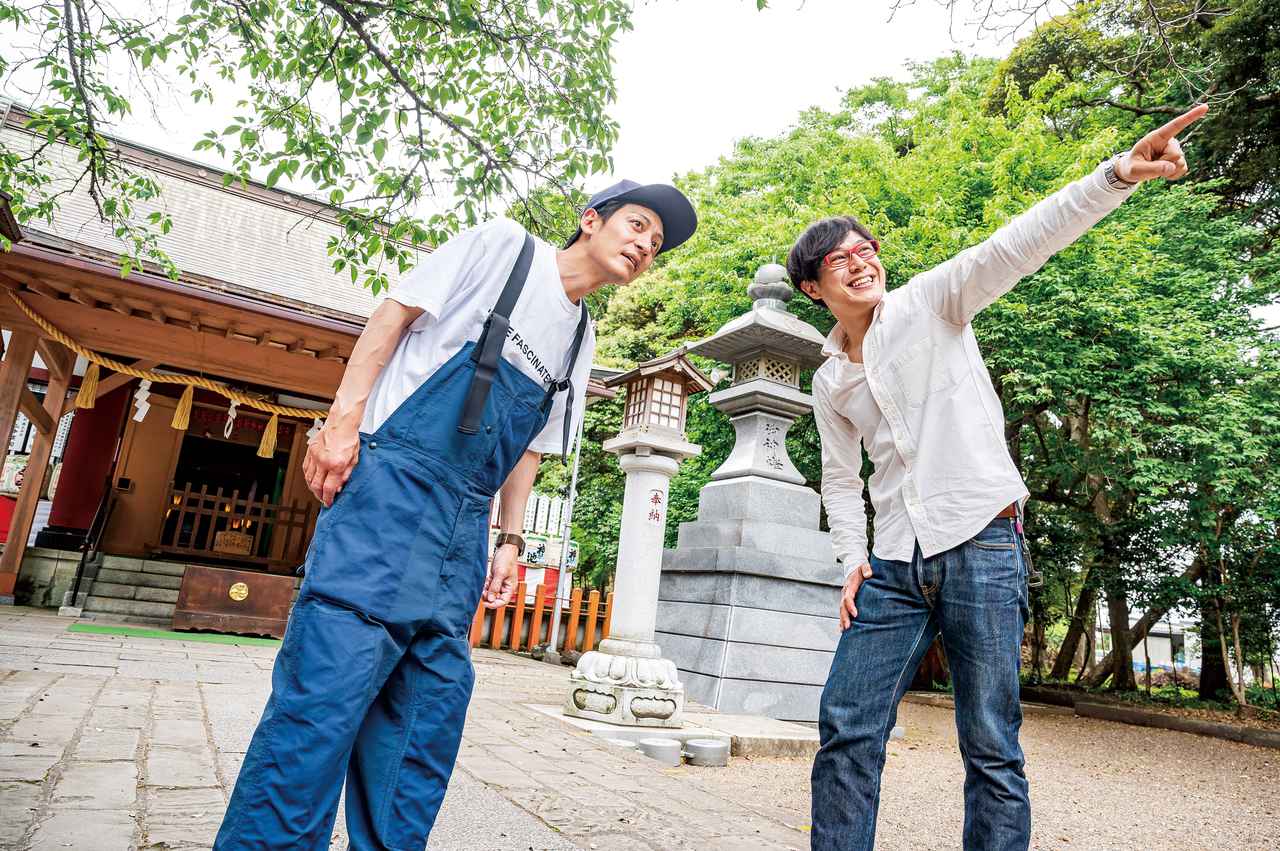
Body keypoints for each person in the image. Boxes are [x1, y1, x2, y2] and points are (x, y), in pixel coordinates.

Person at [213, 180, 697, 850]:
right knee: (324, 699)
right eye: (638, 224)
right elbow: (393, 314)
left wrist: (510, 536)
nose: (645, 244)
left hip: (463, 528)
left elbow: (530, 443)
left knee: (426, 717)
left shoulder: (582, 334)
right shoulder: (506, 249)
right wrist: (343, 422)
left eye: (656, 242)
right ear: (591, 220)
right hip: (390, 493)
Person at [793, 105, 1207, 851]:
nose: (860, 260)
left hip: (982, 542)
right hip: (892, 563)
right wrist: (849, 558)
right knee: (846, 723)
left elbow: (1019, 242)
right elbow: (837, 478)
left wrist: (1117, 174)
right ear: (813, 288)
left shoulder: (930, 303)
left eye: (867, 248)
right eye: (838, 259)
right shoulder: (828, 380)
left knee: (991, 743)